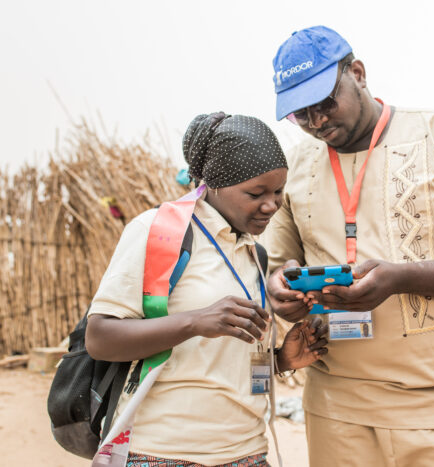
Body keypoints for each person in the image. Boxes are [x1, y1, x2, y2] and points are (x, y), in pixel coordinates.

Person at [262, 26, 434, 466]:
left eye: (326, 102)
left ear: (359, 74)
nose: (318, 121)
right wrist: (281, 292)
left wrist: (401, 277)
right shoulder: (296, 170)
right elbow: (275, 267)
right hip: (338, 411)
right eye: (301, 115)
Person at [85, 112, 328, 467]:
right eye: (256, 193)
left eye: (278, 192)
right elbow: (100, 338)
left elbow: (218, 363)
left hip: (247, 452)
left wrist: (281, 361)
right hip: (164, 453)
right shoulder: (159, 232)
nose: (271, 205)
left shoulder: (254, 252)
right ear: (214, 184)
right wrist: (195, 321)